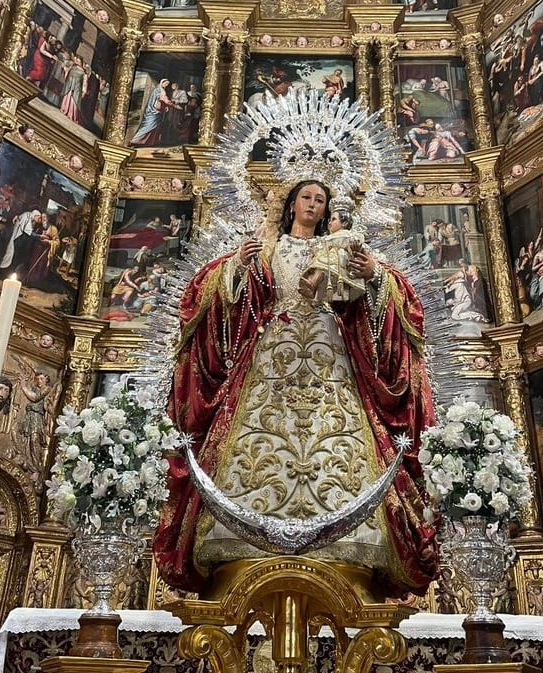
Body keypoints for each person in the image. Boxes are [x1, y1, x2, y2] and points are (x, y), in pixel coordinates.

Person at [154, 180, 440, 596]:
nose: (313, 205)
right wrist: (236, 265)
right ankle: (244, 548)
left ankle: (350, 550)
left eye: (320, 200)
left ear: (327, 210)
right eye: (306, 197)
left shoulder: (341, 246)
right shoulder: (268, 249)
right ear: (290, 205)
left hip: (331, 357)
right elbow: (219, 298)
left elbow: (388, 298)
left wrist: (373, 274)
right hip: (272, 355)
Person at [298, 198, 366, 303]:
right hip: (330, 269)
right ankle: (312, 283)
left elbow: (354, 245)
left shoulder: (347, 235)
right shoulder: (328, 238)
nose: (329, 223)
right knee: (322, 257)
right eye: (329, 220)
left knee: (329, 255)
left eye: (333, 219)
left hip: (341, 264)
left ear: (344, 223)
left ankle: (313, 283)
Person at [130, 79, 172, 146]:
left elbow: (163, 100)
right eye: (165, 84)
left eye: (167, 84)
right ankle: (135, 140)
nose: (166, 85)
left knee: (155, 127)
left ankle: (150, 142)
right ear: (162, 83)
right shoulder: (157, 90)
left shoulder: (163, 90)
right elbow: (160, 98)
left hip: (159, 112)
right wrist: (167, 102)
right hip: (153, 111)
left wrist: (166, 106)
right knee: (149, 125)